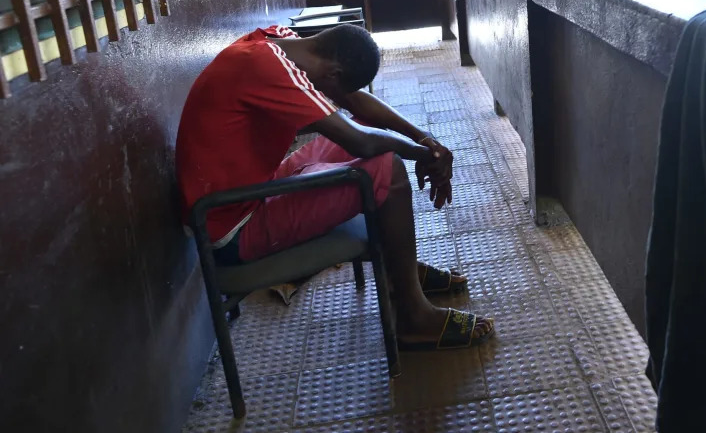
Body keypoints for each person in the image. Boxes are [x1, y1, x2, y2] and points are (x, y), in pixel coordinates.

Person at [176, 23, 494, 349]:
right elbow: (360, 143)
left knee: (370, 131)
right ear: (333, 72)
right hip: (231, 226)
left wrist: (428, 142)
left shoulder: (280, 42)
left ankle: (404, 271)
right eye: (336, 86)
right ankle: (413, 318)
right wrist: (419, 153)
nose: (335, 95)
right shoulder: (265, 67)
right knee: (388, 168)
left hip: (253, 189)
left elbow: (356, 104)